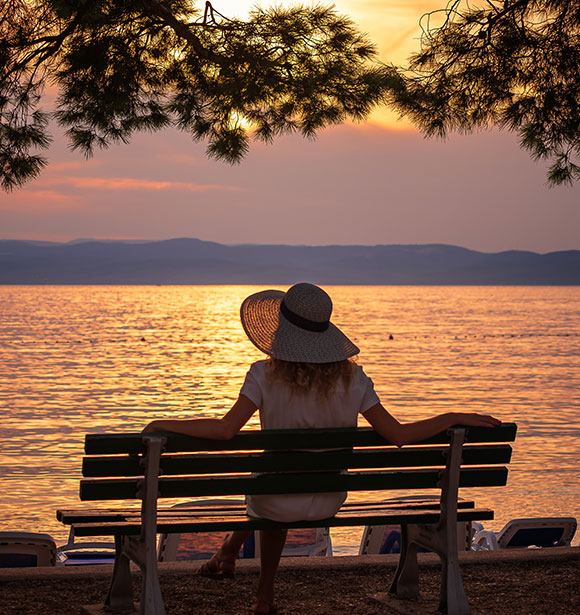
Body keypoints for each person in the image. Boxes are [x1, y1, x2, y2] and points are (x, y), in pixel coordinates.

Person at [143, 283, 500, 614]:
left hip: (273, 499)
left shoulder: (262, 374)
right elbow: (399, 434)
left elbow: (225, 430)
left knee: (270, 488)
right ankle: (231, 556)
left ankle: (258, 586)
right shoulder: (354, 379)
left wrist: (162, 424)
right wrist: (451, 415)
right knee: (276, 485)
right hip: (328, 498)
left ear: (282, 331)